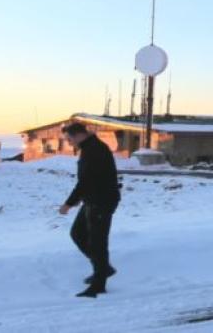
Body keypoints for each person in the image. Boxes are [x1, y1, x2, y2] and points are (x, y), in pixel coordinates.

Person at [58, 122, 121, 298]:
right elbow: (89, 181)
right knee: (77, 234)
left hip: (102, 201)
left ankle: (98, 285)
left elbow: (85, 182)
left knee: (97, 243)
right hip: (92, 199)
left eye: (69, 139)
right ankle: (104, 268)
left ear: (79, 135)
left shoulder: (94, 150)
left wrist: (68, 204)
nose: (69, 142)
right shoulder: (89, 148)